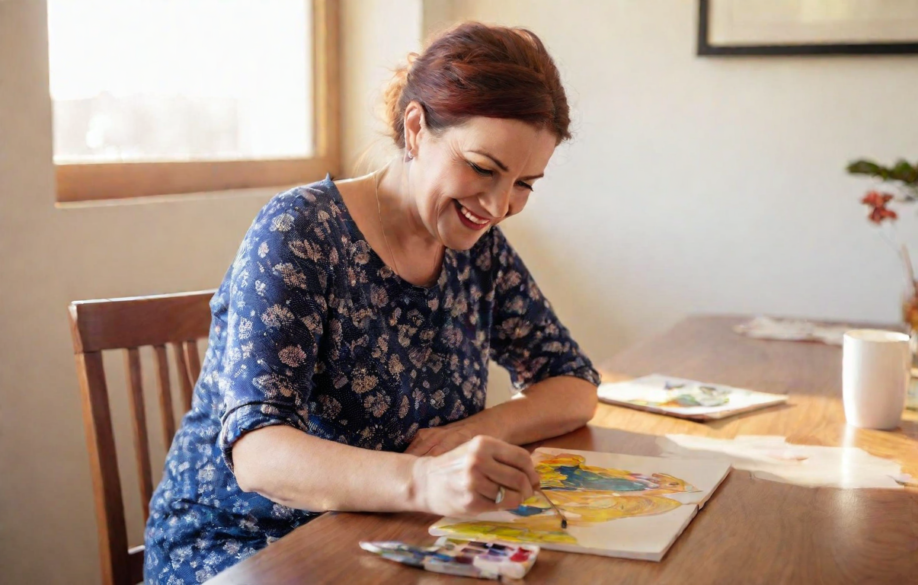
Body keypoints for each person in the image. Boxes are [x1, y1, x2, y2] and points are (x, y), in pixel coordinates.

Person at [144, 22, 600, 584]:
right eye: (483, 168)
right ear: (416, 128)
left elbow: (573, 385)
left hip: (388, 532)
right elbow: (259, 454)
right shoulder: (301, 230)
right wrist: (425, 480)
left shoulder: (477, 250)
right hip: (244, 546)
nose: (499, 205)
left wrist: (479, 430)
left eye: (525, 183)